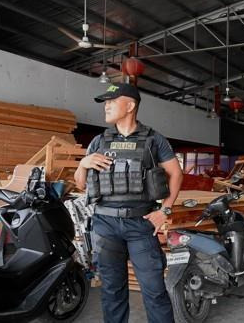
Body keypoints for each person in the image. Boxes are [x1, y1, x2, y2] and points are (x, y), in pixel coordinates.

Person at [74, 83, 183, 323]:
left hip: (140, 224)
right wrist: (83, 164)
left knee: (154, 291)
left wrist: (165, 210)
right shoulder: (99, 141)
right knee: (112, 291)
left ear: (130, 105)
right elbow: (81, 184)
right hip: (105, 224)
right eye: (106, 101)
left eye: (112, 101)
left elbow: (176, 173)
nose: (107, 105)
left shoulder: (154, 140)